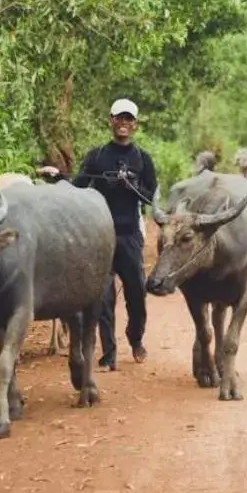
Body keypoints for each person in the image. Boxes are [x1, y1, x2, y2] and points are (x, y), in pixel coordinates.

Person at [71, 98, 157, 371]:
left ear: (135, 125)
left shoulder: (143, 159)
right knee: (103, 298)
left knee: (136, 295)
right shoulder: (97, 156)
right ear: (110, 121)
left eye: (128, 119)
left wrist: (131, 185)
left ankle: (136, 338)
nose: (123, 123)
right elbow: (78, 186)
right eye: (118, 118)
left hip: (130, 235)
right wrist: (58, 178)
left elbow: (150, 197)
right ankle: (108, 353)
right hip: (101, 237)